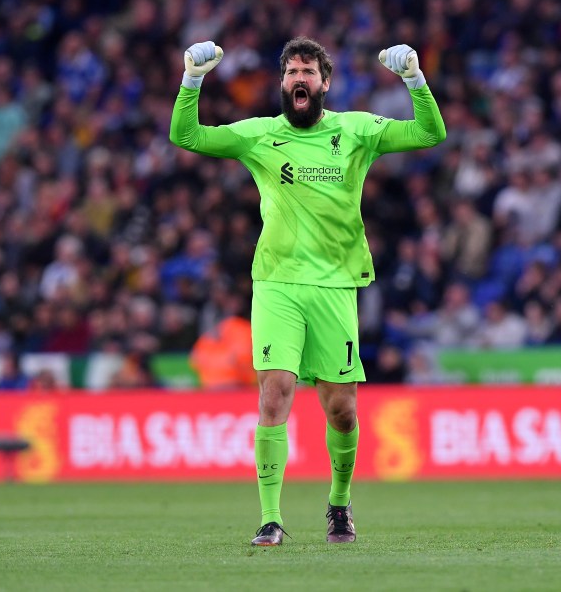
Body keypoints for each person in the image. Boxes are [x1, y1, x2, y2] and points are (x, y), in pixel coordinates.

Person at [170, 37, 446, 545]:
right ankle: (269, 518)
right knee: (274, 392)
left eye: (308, 72)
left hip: (337, 286)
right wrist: (192, 79)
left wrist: (414, 78)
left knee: (341, 409)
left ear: (325, 83)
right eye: (291, 71)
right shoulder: (260, 136)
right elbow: (186, 137)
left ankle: (339, 505)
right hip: (277, 283)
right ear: (283, 83)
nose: (299, 78)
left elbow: (431, 131)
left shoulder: (355, 130)